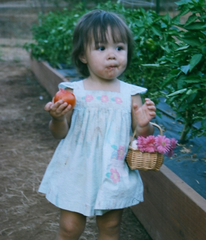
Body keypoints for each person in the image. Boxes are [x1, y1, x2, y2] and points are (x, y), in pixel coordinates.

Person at [39, 9, 156, 240]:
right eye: (101, 48)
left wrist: (144, 125)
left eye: (119, 48)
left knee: (111, 227)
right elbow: (59, 134)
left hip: (113, 169)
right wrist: (57, 118)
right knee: (70, 227)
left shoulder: (131, 94)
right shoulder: (73, 92)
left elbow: (141, 139)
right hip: (77, 169)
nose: (112, 55)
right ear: (83, 55)